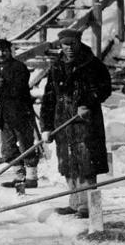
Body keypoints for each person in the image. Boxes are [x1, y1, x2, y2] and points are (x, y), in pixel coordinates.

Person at [40, 29, 113, 218]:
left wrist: (87, 103)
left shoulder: (92, 63)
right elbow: (49, 98)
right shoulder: (56, 66)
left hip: (85, 121)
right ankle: (74, 203)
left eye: (72, 43)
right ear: (60, 45)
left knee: (86, 161)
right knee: (68, 161)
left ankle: (87, 205)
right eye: (65, 44)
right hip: (62, 119)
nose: (69, 47)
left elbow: (105, 88)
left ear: (79, 42)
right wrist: (46, 127)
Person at [0, 38, 39, 190]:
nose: (1, 54)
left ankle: (31, 178)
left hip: (21, 113)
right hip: (6, 115)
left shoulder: (19, 67)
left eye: (4, 50)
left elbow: (17, 89)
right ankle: (19, 176)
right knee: (8, 148)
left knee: (26, 145)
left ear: (9, 51)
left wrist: (0, 87)